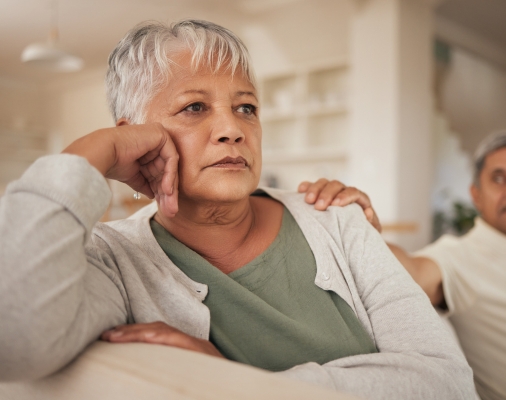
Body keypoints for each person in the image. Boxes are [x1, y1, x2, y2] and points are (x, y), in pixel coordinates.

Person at [0, 19, 477, 399]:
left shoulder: (337, 218)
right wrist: (89, 154)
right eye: (194, 107)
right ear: (134, 135)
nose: (233, 129)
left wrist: (234, 382)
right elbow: (15, 341)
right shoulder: (115, 260)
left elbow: (449, 384)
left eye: (246, 108)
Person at [301, 133, 506, 400]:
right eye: (499, 179)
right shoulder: (457, 257)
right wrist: (355, 225)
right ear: (476, 195)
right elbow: (410, 270)